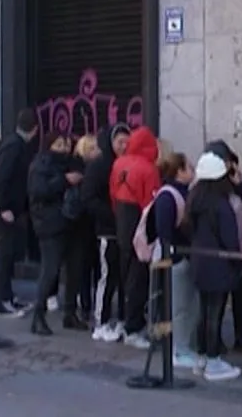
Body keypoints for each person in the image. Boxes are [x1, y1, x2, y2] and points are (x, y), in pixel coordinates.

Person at [184, 151, 242, 382]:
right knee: (215, 314)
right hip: (219, 265)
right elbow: (230, 238)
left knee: (204, 311)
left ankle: (202, 357)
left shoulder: (195, 201)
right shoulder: (221, 205)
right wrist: (237, 262)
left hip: (200, 262)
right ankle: (213, 360)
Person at [110, 126, 162, 349]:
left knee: (126, 274)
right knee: (139, 278)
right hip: (140, 224)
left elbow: (112, 193)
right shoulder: (149, 169)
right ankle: (133, 326)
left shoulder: (118, 163)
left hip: (122, 222)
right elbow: (151, 202)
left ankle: (127, 320)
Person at [207, 139, 242, 355]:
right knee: (218, 298)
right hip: (219, 246)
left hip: (241, 246)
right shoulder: (208, 187)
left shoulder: (240, 184)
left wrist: (239, 186)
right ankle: (215, 339)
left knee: (239, 295)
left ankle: (240, 337)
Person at [27, 132, 82, 335]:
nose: (64, 149)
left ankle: (70, 312)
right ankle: (38, 315)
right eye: (59, 144)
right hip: (50, 224)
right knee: (50, 270)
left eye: (66, 144)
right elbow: (39, 191)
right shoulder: (41, 165)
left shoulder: (72, 163)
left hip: (71, 221)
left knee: (74, 269)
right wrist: (65, 181)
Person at [83, 124, 130, 341]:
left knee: (123, 277)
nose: (123, 146)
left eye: (126, 142)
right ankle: (100, 321)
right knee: (107, 276)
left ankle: (121, 319)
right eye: (119, 142)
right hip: (108, 230)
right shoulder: (99, 166)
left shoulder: (127, 164)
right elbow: (89, 198)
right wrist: (112, 215)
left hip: (124, 230)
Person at [0, 109, 38, 317]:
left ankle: (7, 296)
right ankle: (1, 301)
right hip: (5, 209)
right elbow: (2, 177)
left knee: (8, 254)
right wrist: (4, 207)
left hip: (11, 207)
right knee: (5, 253)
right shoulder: (14, 146)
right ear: (34, 129)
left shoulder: (14, 144)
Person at [155, 151, 198, 368]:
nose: (193, 171)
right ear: (179, 171)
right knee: (180, 306)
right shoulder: (168, 196)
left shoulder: (183, 193)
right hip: (176, 258)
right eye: (189, 167)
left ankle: (184, 346)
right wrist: (175, 256)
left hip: (184, 257)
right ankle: (179, 350)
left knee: (189, 305)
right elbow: (165, 232)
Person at [62, 135, 100, 329]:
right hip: (79, 223)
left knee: (93, 265)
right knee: (83, 266)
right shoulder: (76, 167)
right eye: (91, 148)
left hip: (92, 222)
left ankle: (88, 304)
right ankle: (84, 304)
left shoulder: (96, 167)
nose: (96, 151)